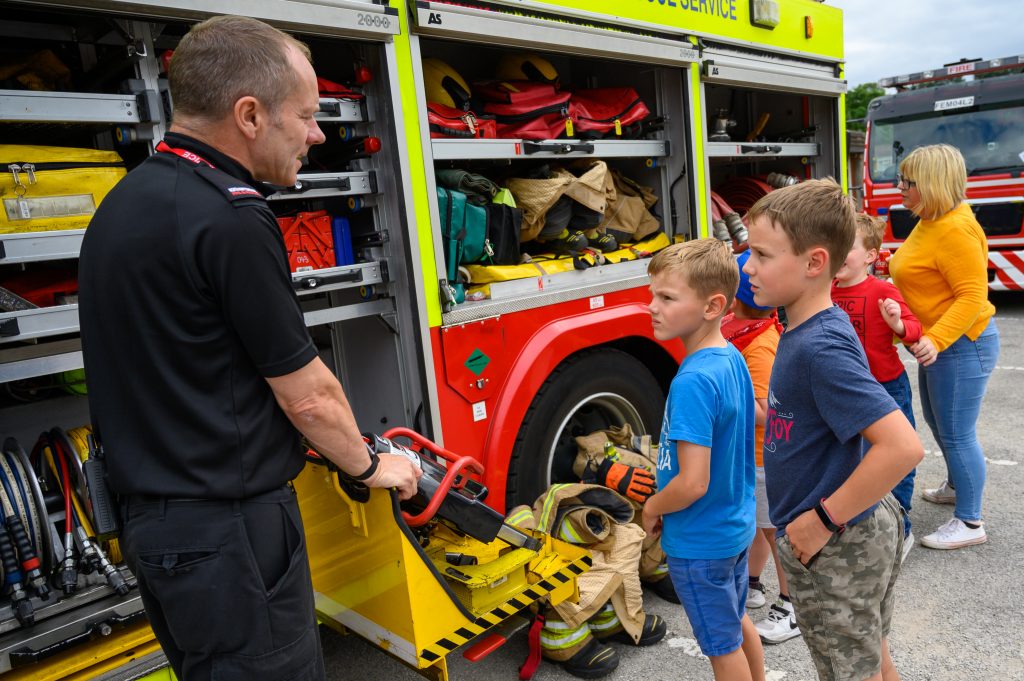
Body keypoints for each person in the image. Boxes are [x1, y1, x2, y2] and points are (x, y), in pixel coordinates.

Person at [77, 16, 421, 681]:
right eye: (307, 115)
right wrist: (371, 465)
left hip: (161, 535)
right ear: (250, 115)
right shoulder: (231, 217)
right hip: (229, 535)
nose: (318, 135)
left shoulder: (122, 206)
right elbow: (308, 393)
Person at [742, 178, 924, 681]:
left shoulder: (817, 346)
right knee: (869, 651)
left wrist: (820, 521)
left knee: (849, 669)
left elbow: (903, 446)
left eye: (760, 254)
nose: (748, 267)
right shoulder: (811, 324)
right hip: (856, 531)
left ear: (814, 262)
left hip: (839, 541)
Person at [642, 239, 765, 681]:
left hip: (699, 543)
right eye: (652, 294)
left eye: (667, 297)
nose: (651, 306)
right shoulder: (730, 357)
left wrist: (652, 507)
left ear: (713, 305)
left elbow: (693, 483)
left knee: (720, 647)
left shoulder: (692, 380)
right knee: (735, 622)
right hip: (733, 528)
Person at [888, 144, 1001, 550]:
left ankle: (970, 522)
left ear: (932, 184)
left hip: (959, 345)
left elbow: (971, 296)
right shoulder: (931, 219)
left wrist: (934, 339)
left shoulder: (955, 228)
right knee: (941, 425)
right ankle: (957, 485)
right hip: (937, 344)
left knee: (956, 433)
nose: (899, 186)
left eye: (908, 182)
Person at [832, 213, 922, 552]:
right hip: (845, 391)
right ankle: (859, 520)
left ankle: (901, 526)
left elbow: (915, 330)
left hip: (886, 387)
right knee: (853, 460)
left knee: (895, 457)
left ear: (871, 256)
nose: (840, 252)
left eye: (849, 246)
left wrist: (898, 324)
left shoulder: (883, 290)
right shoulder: (826, 291)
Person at [720, 252, 798, 644]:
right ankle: (753, 584)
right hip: (747, 457)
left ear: (733, 297)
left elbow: (768, 412)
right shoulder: (739, 328)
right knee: (755, 525)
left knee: (774, 532)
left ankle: (792, 604)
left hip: (764, 458)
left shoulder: (762, 343)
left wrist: (722, 395)